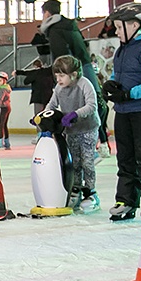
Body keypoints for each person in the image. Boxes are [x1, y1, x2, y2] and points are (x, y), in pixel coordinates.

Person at [101, 2, 141, 221]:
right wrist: (110, 86)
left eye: (120, 27)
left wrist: (129, 94)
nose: (116, 31)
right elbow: (118, 76)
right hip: (123, 113)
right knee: (125, 158)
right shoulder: (122, 49)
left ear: (134, 25)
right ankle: (126, 200)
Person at [39, 0, 108, 150]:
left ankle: (95, 140)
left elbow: (61, 56)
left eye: (43, 13)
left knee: (81, 103)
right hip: (85, 64)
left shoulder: (55, 29)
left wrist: (62, 75)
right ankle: (102, 140)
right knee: (97, 101)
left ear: (47, 13)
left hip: (73, 69)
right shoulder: (71, 25)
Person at [46, 55, 101, 213]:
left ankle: (91, 192)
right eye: (56, 75)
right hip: (71, 131)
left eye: (62, 75)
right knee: (74, 163)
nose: (58, 79)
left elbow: (92, 105)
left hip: (88, 129)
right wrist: (42, 116)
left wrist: (75, 114)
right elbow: (52, 104)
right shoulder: (59, 88)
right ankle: (76, 189)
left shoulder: (85, 84)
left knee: (87, 162)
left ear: (74, 74)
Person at [15, 58, 55, 144]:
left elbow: (26, 78)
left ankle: (40, 134)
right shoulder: (48, 72)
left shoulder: (34, 73)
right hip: (49, 97)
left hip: (38, 98)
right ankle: (50, 133)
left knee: (38, 117)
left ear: (34, 66)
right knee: (49, 116)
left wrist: (17, 72)